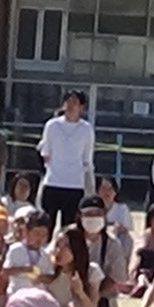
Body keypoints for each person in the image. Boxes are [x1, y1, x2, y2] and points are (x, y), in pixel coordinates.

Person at [38, 90, 95, 230]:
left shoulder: (86, 129)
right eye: (68, 102)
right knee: (46, 225)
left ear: (82, 107)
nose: (70, 105)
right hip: (53, 182)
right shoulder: (52, 125)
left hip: (75, 185)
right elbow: (45, 153)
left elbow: (87, 159)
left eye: (74, 102)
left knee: (69, 228)